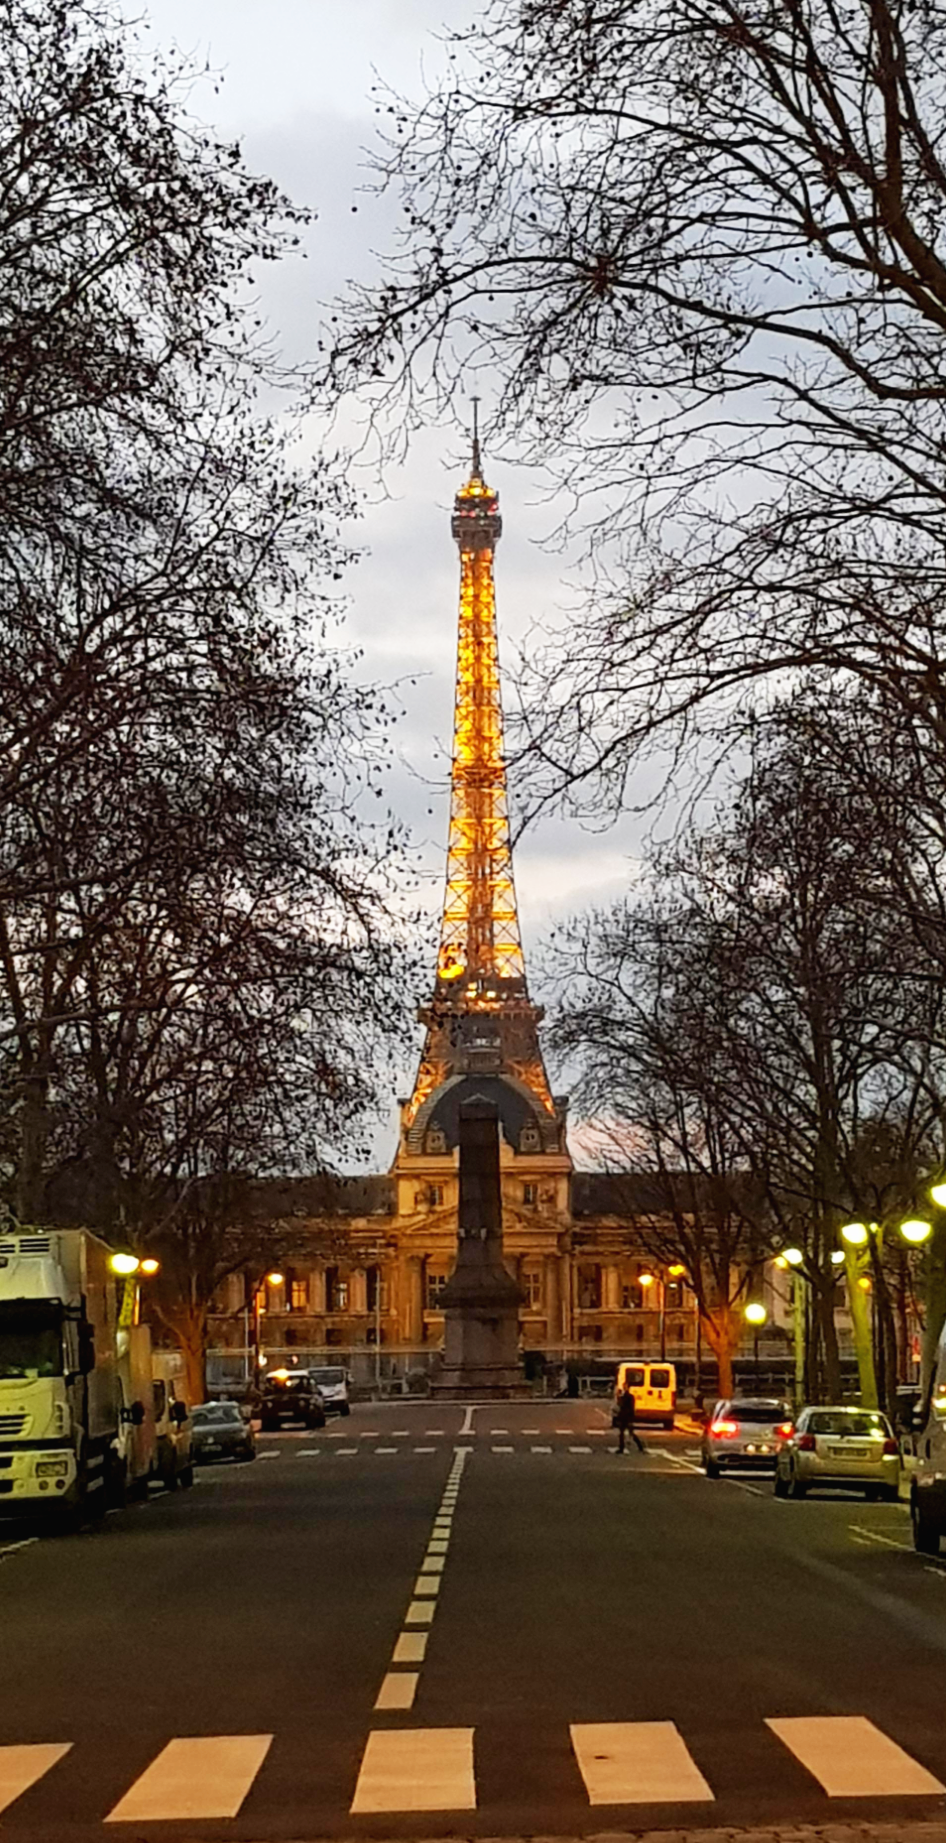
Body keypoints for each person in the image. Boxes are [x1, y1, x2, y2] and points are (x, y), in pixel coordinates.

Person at [615, 1383, 645, 1454]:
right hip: (623, 1417)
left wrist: (631, 1417)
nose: (625, 1388)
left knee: (631, 1433)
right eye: (624, 1387)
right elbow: (619, 1404)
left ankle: (640, 1446)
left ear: (628, 1388)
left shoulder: (630, 1397)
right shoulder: (623, 1396)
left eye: (626, 1387)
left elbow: (631, 1408)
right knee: (622, 1434)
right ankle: (621, 1448)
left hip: (627, 1417)